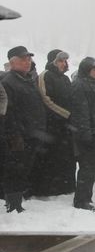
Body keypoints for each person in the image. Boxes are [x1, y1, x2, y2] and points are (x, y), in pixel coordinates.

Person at [2, 46, 47, 212]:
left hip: (31, 134)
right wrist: (15, 136)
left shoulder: (28, 80)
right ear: (12, 62)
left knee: (24, 169)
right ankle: (12, 205)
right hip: (18, 137)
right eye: (23, 59)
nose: (27, 62)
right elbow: (9, 112)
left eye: (29, 59)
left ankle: (17, 201)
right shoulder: (8, 82)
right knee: (15, 170)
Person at [68, 57, 95, 211]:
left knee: (91, 167)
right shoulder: (80, 85)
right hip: (88, 133)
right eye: (94, 69)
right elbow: (81, 112)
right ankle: (81, 200)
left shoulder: (93, 84)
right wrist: (85, 133)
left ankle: (87, 197)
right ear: (86, 69)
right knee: (87, 167)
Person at [36, 49, 75, 196]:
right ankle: (49, 189)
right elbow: (45, 99)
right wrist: (65, 114)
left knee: (66, 157)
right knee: (51, 158)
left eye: (65, 61)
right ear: (53, 61)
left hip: (66, 126)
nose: (64, 64)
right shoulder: (45, 75)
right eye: (61, 61)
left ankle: (66, 187)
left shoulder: (65, 79)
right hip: (51, 125)